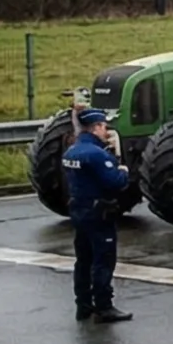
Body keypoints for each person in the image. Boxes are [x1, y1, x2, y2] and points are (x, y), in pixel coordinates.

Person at [61, 109, 131, 324]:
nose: (106, 130)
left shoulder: (71, 152)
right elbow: (115, 182)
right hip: (98, 212)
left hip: (79, 210)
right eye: (103, 126)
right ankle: (104, 306)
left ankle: (83, 305)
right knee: (103, 260)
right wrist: (123, 170)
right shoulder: (96, 154)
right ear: (96, 127)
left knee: (83, 260)